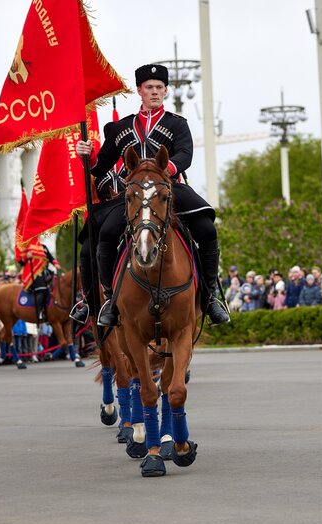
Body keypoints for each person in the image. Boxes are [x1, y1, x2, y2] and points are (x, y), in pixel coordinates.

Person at [73, 63, 229, 327]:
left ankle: (210, 297)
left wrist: (165, 170)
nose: (154, 92)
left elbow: (185, 154)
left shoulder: (177, 124)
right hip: (132, 195)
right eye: (149, 87)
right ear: (140, 91)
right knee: (101, 235)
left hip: (168, 190)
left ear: (166, 91)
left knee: (206, 229)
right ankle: (105, 300)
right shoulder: (120, 128)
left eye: (159, 87)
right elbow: (100, 167)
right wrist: (87, 155)